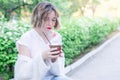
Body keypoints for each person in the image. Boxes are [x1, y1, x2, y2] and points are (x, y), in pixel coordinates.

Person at [14, 1, 71, 80]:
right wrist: (43, 56)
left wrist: (54, 59)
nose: (50, 23)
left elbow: (59, 72)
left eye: (53, 20)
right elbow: (22, 74)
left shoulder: (56, 37)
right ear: (37, 18)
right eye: (46, 19)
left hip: (53, 78)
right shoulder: (26, 38)